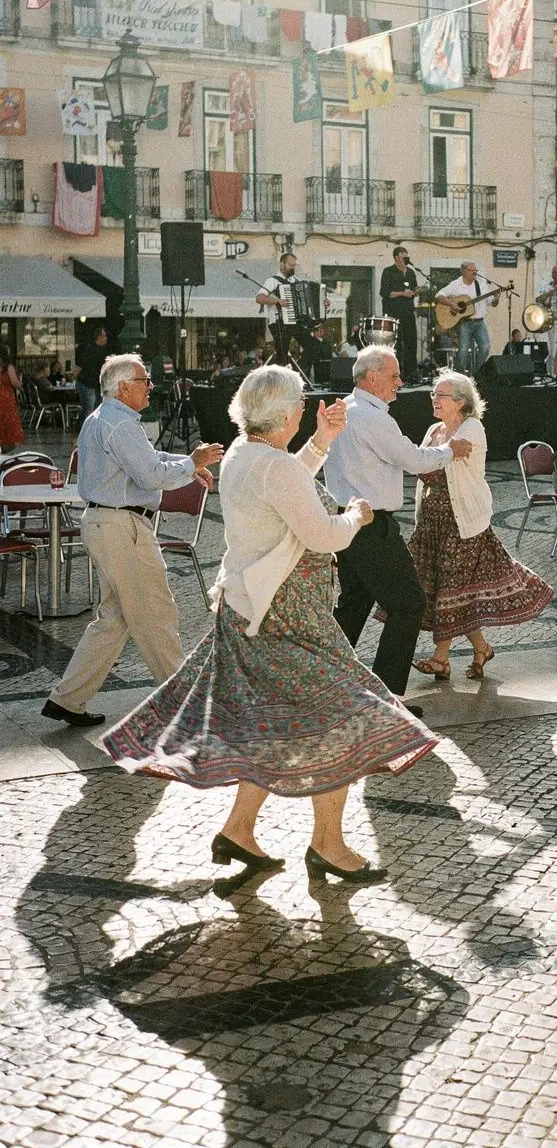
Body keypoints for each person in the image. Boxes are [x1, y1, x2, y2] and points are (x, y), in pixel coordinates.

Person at [102, 366, 436, 885]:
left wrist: (323, 442)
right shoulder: (271, 466)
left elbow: (285, 482)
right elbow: (323, 533)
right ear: (283, 414)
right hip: (287, 619)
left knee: (272, 723)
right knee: (341, 721)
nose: (306, 409)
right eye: (301, 404)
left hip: (251, 611)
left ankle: (239, 829)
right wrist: (356, 516)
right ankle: (327, 844)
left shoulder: (244, 454)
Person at [40, 355, 224, 729]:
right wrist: (193, 460)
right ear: (123, 387)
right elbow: (151, 474)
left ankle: (67, 699)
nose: (150, 387)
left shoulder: (103, 419)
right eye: (144, 380)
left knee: (114, 619)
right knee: (156, 613)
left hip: (104, 523)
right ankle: (182, 703)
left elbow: (151, 459)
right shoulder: (120, 424)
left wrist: (188, 463)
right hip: (121, 526)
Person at [323, 346, 473, 706]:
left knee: (353, 604)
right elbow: (413, 459)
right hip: (371, 525)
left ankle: (324, 682)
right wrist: (452, 450)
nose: (400, 383)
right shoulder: (372, 417)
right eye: (393, 376)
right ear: (372, 378)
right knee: (409, 604)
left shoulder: (345, 409)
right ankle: (387, 698)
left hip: (346, 521)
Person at [409, 372, 553, 682]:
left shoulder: (472, 428)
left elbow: (433, 466)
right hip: (432, 525)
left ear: (460, 401)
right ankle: (482, 648)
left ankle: (440, 659)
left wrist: (420, 460)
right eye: (433, 394)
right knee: (452, 592)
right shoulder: (435, 430)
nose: (434, 399)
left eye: (440, 395)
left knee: (450, 590)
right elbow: (422, 464)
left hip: (462, 525)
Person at [435, 261, 498, 374]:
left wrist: (496, 298)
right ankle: (459, 375)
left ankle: (476, 374)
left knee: (485, 348)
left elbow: (492, 303)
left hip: (479, 322)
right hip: (464, 323)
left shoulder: (481, 284)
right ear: (463, 271)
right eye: (471, 270)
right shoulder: (456, 284)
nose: (475, 272)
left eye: (476, 270)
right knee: (463, 351)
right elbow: (439, 295)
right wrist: (451, 304)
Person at [256, 251, 305, 363]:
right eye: (290, 265)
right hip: (279, 323)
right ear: (282, 264)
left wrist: (323, 301)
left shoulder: (297, 281)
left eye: (294, 266)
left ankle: (301, 376)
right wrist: (277, 300)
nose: (293, 268)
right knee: (282, 353)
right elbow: (259, 298)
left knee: (312, 346)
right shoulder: (272, 281)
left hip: (295, 322)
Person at [379, 246, 418, 384]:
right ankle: (396, 374)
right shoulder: (388, 272)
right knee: (396, 344)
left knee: (411, 341)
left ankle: (411, 373)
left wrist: (416, 291)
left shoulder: (411, 273)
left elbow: (414, 289)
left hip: (408, 311)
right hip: (394, 312)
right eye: (403, 255)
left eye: (407, 255)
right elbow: (384, 292)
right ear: (396, 257)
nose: (406, 257)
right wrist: (402, 293)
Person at [73, 326, 108, 427]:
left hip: (86, 383)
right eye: (105, 336)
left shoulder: (90, 348)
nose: (106, 338)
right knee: (89, 409)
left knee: (86, 409)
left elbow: (79, 366)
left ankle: (81, 429)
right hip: (88, 384)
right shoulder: (94, 351)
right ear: (100, 337)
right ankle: (85, 430)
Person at [0, 348, 24, 452]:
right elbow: (15, 383)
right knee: (8, 425)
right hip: (6, 399)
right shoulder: (9, 367)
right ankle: (4, 450)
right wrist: (21, 387)